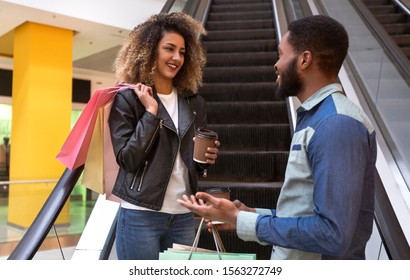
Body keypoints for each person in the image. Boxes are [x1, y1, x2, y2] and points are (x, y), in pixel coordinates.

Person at [178, 15, 377, 260]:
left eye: (282, 54)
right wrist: (248, 215)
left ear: (304, 59)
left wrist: (240, 219)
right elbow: (305, 214)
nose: (276, 64)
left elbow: (331, 234)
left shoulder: (337, 124)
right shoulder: (318, 118)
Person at [108, 12, 220, 260]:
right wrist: (150, 113)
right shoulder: (127, 99)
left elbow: (185, 162)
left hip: (183, 215)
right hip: (140, 213)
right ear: (150, 50)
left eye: (182, 52)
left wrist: (204, 161)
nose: (177, 58)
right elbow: (127, 159)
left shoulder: (194, 103)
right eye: (169, 49)